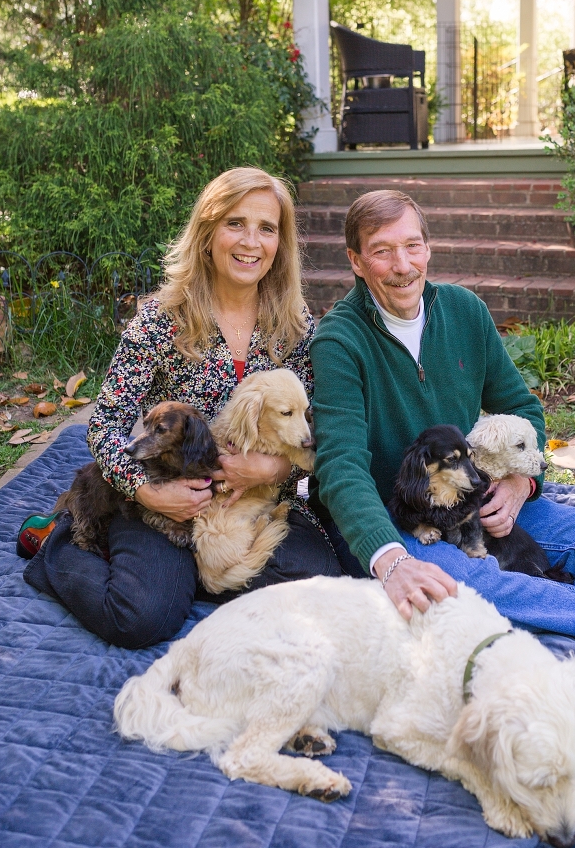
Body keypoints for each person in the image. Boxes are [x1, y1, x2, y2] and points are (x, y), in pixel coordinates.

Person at [309, 189, 575, 729]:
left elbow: (520, 407)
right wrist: (390, 560)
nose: (402, 266)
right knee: (474, 589)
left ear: (429, 247)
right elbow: (340, 466)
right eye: (381, 251)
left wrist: (519, 486)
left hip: (479, 499)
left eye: (412, 245)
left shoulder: (464, 312)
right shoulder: (338, 341)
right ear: (354, 260)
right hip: (400, 527)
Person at [23, 167, 359, 648]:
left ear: (280, 245)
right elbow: (106, 424)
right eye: (235, 223)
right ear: (207, 233)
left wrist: (276, 466)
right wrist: (145, 491)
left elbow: (317, 425)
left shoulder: (296, 324)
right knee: (141, 617)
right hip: (169, 505)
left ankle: (195, 578)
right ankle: (58, 540)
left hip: (249, 508)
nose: (251, 241)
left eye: (267, 228)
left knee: (322, 589)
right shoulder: (163, 319)